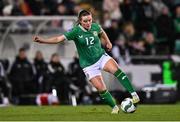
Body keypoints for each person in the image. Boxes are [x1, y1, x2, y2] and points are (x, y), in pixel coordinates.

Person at [33, 10, 140, 114]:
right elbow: (58, 39)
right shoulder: (75, 31)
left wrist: (108, 42)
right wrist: (43, 40)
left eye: (89, 20)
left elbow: (101, 31)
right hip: (88, 65)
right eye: (85, 21)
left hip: (101, 57)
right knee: (101, 88)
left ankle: (134, 95)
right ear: (80, 21)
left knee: (117, 70)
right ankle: (114, 107)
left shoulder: (95, 26)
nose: (88, 23)